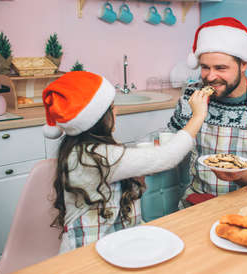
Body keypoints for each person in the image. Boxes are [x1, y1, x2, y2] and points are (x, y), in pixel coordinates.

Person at [42, 71, 208, 254]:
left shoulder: (79, 150)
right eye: (112, 107)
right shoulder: (98, 157)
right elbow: (168, 156)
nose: (116, 111)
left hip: (112, 243)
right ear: (97, 118)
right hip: (85, 254)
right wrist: (197, 117)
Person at [168, 17, 247, 207]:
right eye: (205, 67)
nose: (210, 76)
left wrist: (242, 175)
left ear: (243, 65)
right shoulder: (191, 96)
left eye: (221, 68)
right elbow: (171, 142)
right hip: (196, 202)